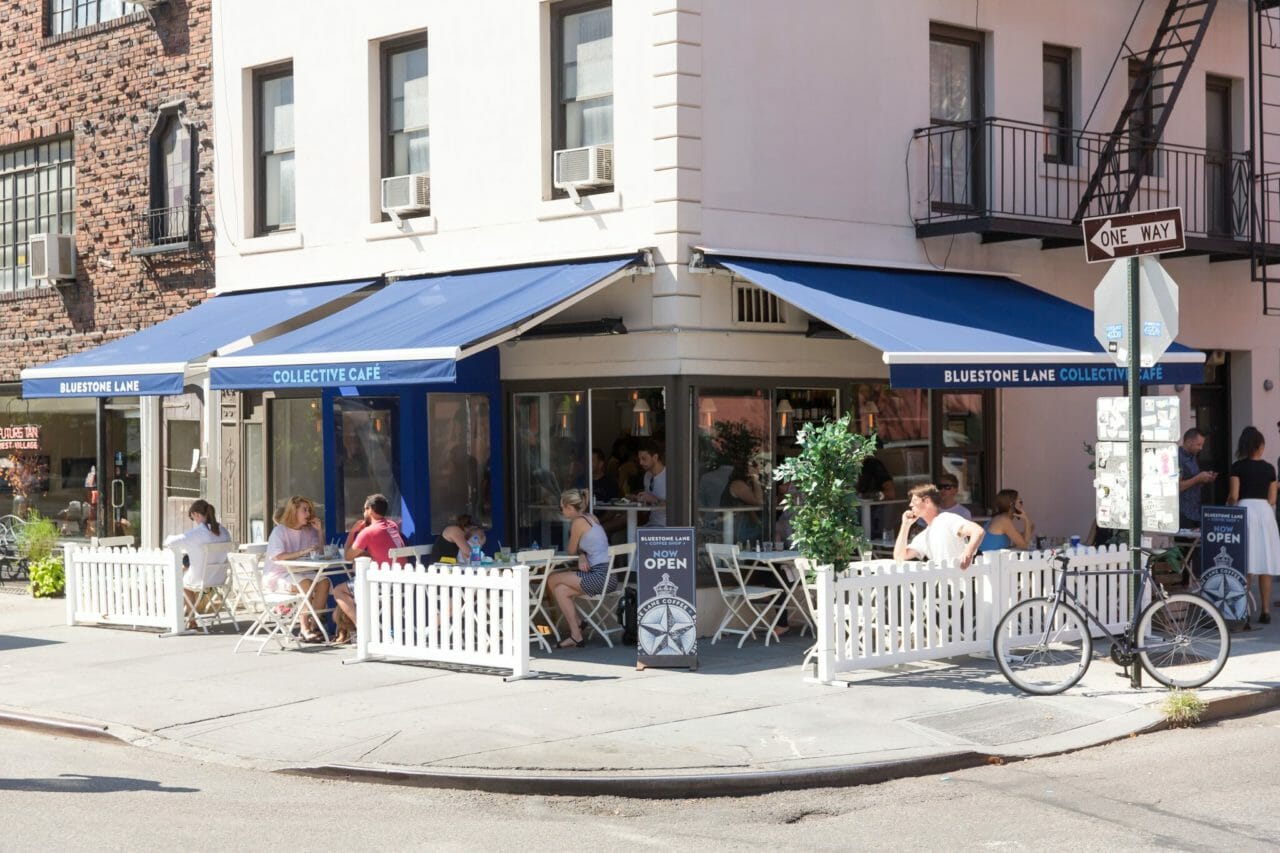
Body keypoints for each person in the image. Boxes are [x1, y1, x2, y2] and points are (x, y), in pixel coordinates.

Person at [331, 493, 405, 644]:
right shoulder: (392, 526)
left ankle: (362, 629)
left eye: (364, 509)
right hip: (399, 581)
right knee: (355, 582)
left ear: (370, 510)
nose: (363, 513)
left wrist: (352, 532)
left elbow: (347, 556)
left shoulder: (368, 532)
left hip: (381, 584)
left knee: (338, 590)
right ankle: (356, 629)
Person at [545, 489, 613, 649]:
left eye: (561, 508)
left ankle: (578, 622)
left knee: (552, 578)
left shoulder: (578, 522)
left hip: (599, 578)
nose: (561, 511)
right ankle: (576, 636)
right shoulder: (591, 518)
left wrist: (580, 554)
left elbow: (570, 550)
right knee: (561, 590)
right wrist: (582, 554)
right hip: (609, 577)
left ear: (569, 507)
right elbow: (589, 545)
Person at [1227, 426, 1280, 625]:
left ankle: (1244, 610)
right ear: (1260, 446)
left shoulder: (1237, 467)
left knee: (1246, 562)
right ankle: (1265, 611)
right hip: (1265, 513)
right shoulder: (1269, 469)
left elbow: (1234, 495)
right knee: (1264, 561)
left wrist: (1228, 506)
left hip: (1244, 511)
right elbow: (1273, 499)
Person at [263, 495, 329, 642]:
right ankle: (304, 629)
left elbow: (320, 553)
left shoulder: (308, 530)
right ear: (294, 512)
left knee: (325, 583)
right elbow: (277, 556)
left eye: (309, 510)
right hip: (279, 574)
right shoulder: (280, 531)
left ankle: (314, 625)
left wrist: (319, 531)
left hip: (301, 571)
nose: (309, 514)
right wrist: (301, 553)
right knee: (305, 584)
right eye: (304, 510)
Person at [163, 499, 232, 626]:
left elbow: (169, 542)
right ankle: (190, 617)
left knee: (183, 581)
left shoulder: (198, 533)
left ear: (196, 514)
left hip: (201, 578)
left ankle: (191, 618)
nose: (194, 521)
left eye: (192, 517)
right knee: (188, 571)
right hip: (219, 578)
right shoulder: (225, 532)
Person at [893, 483, 985, 568]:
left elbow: (978, 531)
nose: (910, 504)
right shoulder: (925, 534)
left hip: (959, 582)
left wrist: (968, 553)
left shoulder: (947, 519)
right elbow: (899, 556)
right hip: (943, 583)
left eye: (915, 500)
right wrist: (905, 525)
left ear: (927, 501)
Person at [1179, 427, 1216, 530]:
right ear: (1188, 442)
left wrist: (1205, 479)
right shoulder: (1177, 457)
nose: (1201, 448)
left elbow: (1193, 480)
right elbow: (1176, 487)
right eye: (1198, 444)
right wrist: (1197, 478)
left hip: (1195, 510)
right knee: (1186, 545)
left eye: (1202, 445)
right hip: (1183, 512)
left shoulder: (1193, 457)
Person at [720, 457, 764, 545]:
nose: (759, 469)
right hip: (738, 528)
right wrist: (755, 478)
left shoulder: (746, 483)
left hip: (744, 525)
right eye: (756, 467)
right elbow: (759, 502)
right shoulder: (738, 484)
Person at [636, 439, 667, 527]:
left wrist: (654, 499)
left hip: (666, 527)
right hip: (652, 523)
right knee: (619, 537)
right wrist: (639, 498)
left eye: (644, 459)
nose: (640, 462)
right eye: (639, 459)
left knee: (634, 536)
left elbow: (678, 506)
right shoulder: (647, 475)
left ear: (655, 457)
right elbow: (648, 504)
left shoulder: (669, 477)